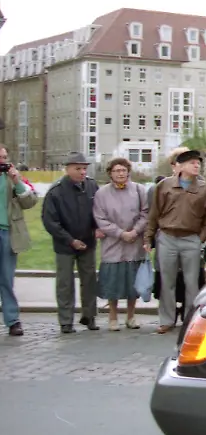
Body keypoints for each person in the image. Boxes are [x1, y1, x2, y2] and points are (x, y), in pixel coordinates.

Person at [144, 149, 206, 334]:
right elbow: (154, 214)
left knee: (192, 282)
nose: (196, 166)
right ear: (180, 166)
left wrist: (200, 239)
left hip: (191, 238)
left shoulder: (205, 189)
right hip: (167, 237)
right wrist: (148, 237)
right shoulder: (164, 186)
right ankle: (167, 319)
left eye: (198, 163)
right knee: (167, 281)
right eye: (192, 163)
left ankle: (191, 320)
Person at [42, 153, 101, 334]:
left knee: (89, 280)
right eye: (78, 168)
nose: (82, 172)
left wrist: (97, 228)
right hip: (65, 245)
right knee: (65, 283)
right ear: (67, 169)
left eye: (84, 168)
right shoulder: (56, 191)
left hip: (88, 242)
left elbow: (99, 211)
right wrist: (70, 240)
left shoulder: (92, 186)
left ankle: (89, 316)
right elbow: (50, 221)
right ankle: (66, 320)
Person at [93, 158, 149, 331]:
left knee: (133, 283)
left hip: (134, 243)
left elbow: (146, 213)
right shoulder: (102, 193)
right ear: (110, 173)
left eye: (123, 170)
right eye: (116, 171)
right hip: (113, 244)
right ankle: (113, 317)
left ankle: (131, 316)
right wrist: (120, 233)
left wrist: (135, 231)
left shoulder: (139, 190)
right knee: (113, 283)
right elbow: (100, 218)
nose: (120, 173)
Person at [0, 144, 36, 336]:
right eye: (0, 157)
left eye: (4, 157)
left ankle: (12, 319)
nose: (3, 161)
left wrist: (17, 181)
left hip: (7, 233)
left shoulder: (12, 177)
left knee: (6, 278)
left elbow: (30, 201)